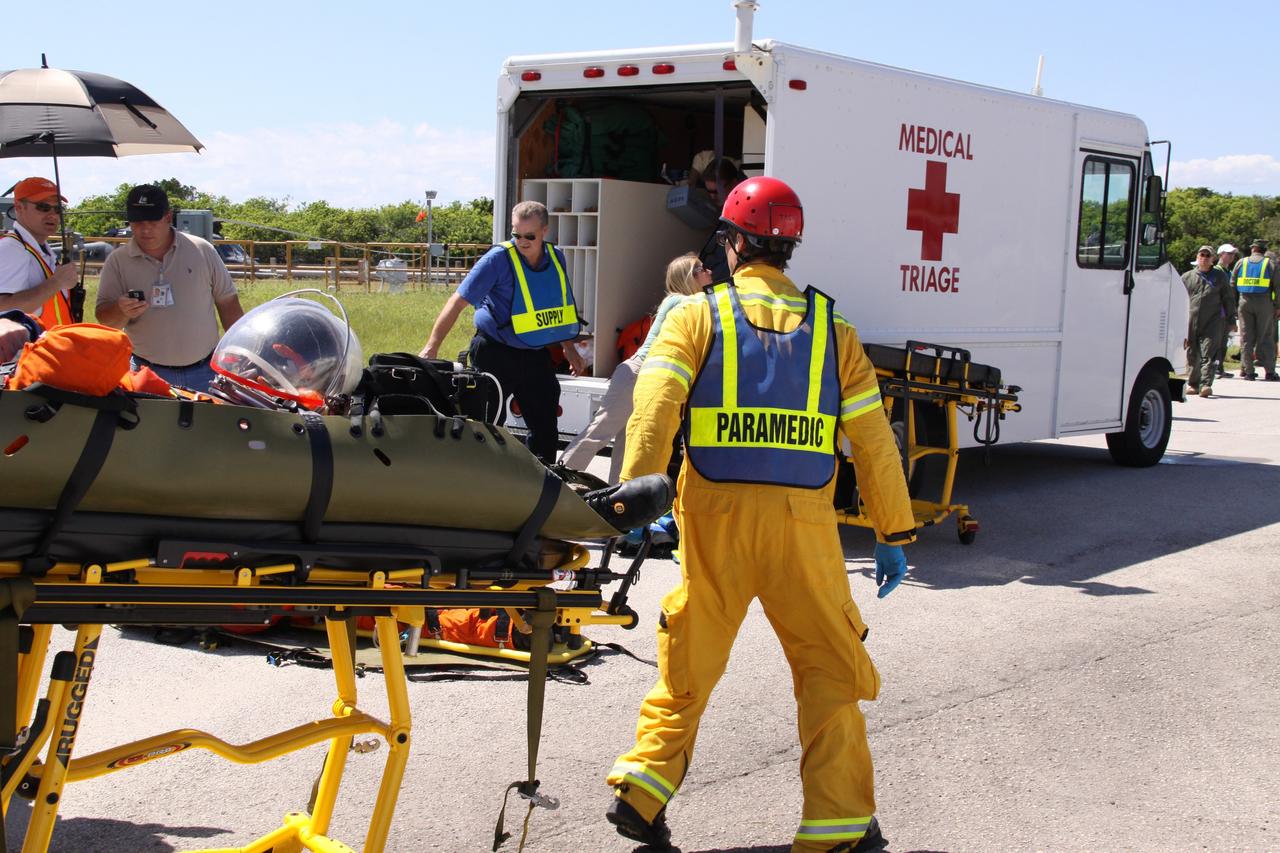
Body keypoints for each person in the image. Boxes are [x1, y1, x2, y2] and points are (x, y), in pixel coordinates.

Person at [604, 177, 916, 853]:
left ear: (733, 242)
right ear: (790, 247)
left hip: (714, 517)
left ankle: (643, 785)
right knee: (828, 666)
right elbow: (874, 441)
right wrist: (892, 530)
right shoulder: (836, 332)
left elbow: (655, 404)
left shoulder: (696, 315)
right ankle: (836, 824)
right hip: (804, 528)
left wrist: (635, 494)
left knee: (691, 655)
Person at [418, 200, 584, 464]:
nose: (522, 241)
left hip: (535, 354)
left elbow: (555, 308)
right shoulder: (497, 259)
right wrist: (432, 345)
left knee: (545, 427)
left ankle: (541, 485)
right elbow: (457, 301)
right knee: (486, 426)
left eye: (529, 235)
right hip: (494, 352)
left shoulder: (556, 257)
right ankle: (480, 482)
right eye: (516, 234)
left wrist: (569, 348)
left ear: (545, 231)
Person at [559, 253, 710, 483]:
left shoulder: (687, 303)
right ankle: (560, 478)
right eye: (700, 268)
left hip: (643, 376)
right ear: (687, 277)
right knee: (601, 430)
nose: (708, 271)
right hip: (637, 373)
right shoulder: (681, 301)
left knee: (626, 444)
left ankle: (614, 497)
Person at [95, 185, 245, 389]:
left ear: (168, 217)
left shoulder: (202, 250)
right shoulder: (117, 261)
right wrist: (121, 310)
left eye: (152, 221)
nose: (145, 229)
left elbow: (228, 304)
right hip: (145, 373)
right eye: (138, 222)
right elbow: (105, 321)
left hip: (206, 370)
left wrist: (241, 352)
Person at [0, 177, 79, 326]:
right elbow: (4, 309)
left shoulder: (38, 249)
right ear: (19, 207)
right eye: (43, 207)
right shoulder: (11, 250)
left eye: (58, 209)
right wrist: (57, 282)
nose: (53, 215)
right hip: (23, 348)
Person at [1182, 245, 1234, 398]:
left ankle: (1206, 384)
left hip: (1213, 321)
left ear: (1212, 259)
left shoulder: (1219, 277)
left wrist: (1232, 319)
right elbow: (1176, 299)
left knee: (1208, 353)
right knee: (1191, 353)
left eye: (1207, 256)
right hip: (1191, 321)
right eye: (1201, 255)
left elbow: (1228, 299)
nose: (1204, 258)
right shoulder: (1187, 277)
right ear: (1197, 257)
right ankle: (1192, 384)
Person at [1231, 238, 1277, 381]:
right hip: (1264, 303)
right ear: (1264, 250)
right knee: (1266, 337)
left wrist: (1234, 304)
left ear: (1252, 249)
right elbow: (1278, 287)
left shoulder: (1241, 262)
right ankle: (1269, 372)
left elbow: (1232, 284)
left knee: (1246, 338)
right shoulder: (1270, 263)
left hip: (1244, 302)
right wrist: (1278, 306)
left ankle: (1248, 371)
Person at [1213, 243, 1238, 377]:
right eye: (1229, 254)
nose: (1232, 256)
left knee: (1224, 342)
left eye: (1233, 254)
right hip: (1218, 312)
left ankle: (1219, 367)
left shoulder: (1228, 272)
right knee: (1218, 342)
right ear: (1221, 254)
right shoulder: (1217, 271)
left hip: (1226, 312)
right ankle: (1215, 367)